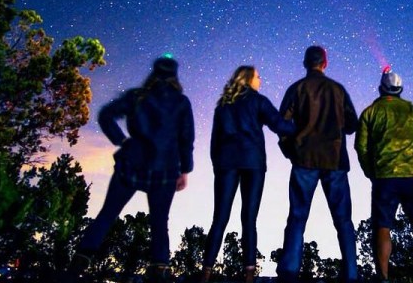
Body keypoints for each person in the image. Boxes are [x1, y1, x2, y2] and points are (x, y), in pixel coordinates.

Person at [66, 55, 195, 283]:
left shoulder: (137, 97)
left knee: (108, 213)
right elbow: (186, 139)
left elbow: (105, 115)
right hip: (164, 170)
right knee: (159, 221)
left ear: (153, 74)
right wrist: (185, 169)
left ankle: (79, 261)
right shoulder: (181, 102)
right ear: (174, 76)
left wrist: (122, 141)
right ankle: (160, 270)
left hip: (131, 164)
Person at [199, 66, 295, 283]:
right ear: (249, 78)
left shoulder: (222, 105)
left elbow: (214, 142)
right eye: (258, 76)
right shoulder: (258, 101)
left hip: (226, 164)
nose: (260, 79)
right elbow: (280, 125)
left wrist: (218, 165)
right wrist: (304, 124)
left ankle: (205, 273)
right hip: (253, 164)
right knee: (249, 220)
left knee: (219, 219)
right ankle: (249, 276)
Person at [276, 46, 360, 283]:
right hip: (334, 161)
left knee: (297, 218)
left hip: (304, 160)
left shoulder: (296, 89)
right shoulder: (338, 90)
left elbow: (282, 125)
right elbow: (352, 124)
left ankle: (289, 275)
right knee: (343, 220)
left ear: (305, 63)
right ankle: (351, 275)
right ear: (325, 62)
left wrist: (291, 151)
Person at [355, 67, 413, 283]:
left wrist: (372, 173)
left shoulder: (370, 113)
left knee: (382, 227)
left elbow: (362, 148)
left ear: (380, 89)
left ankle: (383, 278)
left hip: (385, 178)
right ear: (400, 89)